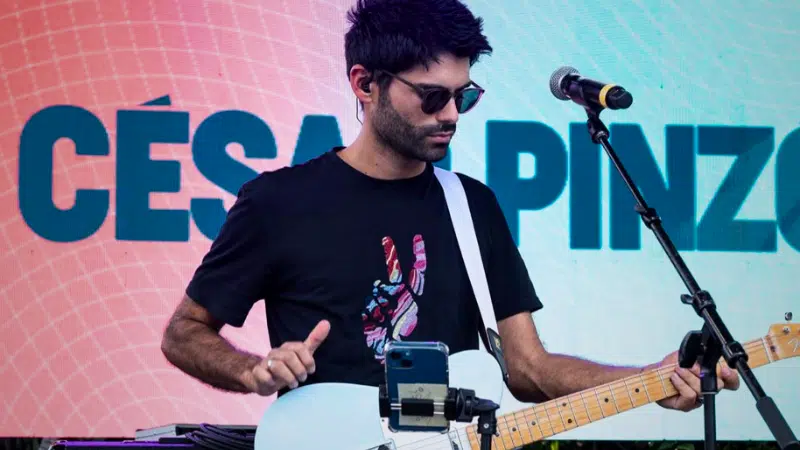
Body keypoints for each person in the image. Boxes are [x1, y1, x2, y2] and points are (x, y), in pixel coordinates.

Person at [160, 0, 739, 414]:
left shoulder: (474, 206)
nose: (452, 115)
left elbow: (527, 368)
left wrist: (648, 380)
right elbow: (184, 331)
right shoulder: (278, 202)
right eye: (431, 96)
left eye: (462, 95)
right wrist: (251, 370)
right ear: (365, 84)